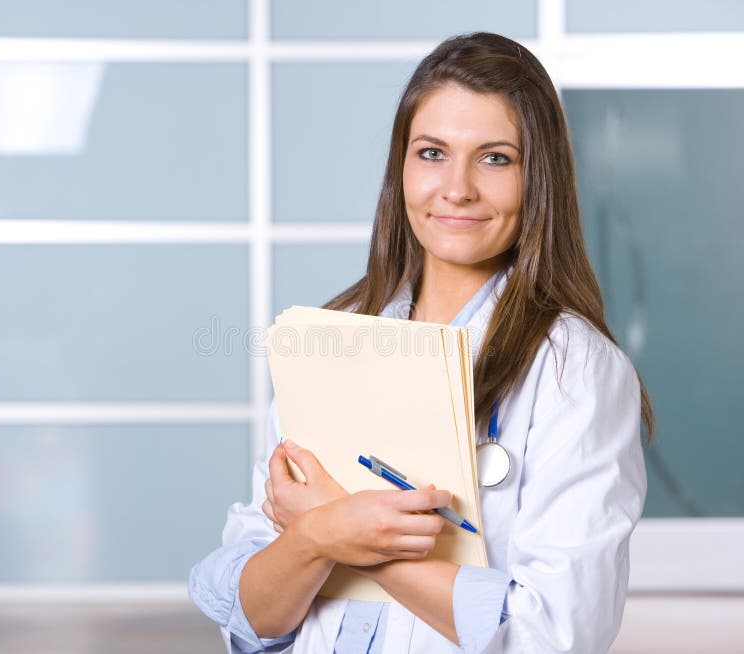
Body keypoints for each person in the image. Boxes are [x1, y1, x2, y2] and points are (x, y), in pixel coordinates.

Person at [189, 31, 651, 653]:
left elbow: (553, 635)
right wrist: (314, 537)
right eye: (432, 153)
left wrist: (346, 539)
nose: (457, 188)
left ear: (538, 179)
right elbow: (249, 619)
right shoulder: (336, 341)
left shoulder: (574, 369)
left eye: (495, 158)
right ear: (400, 169)